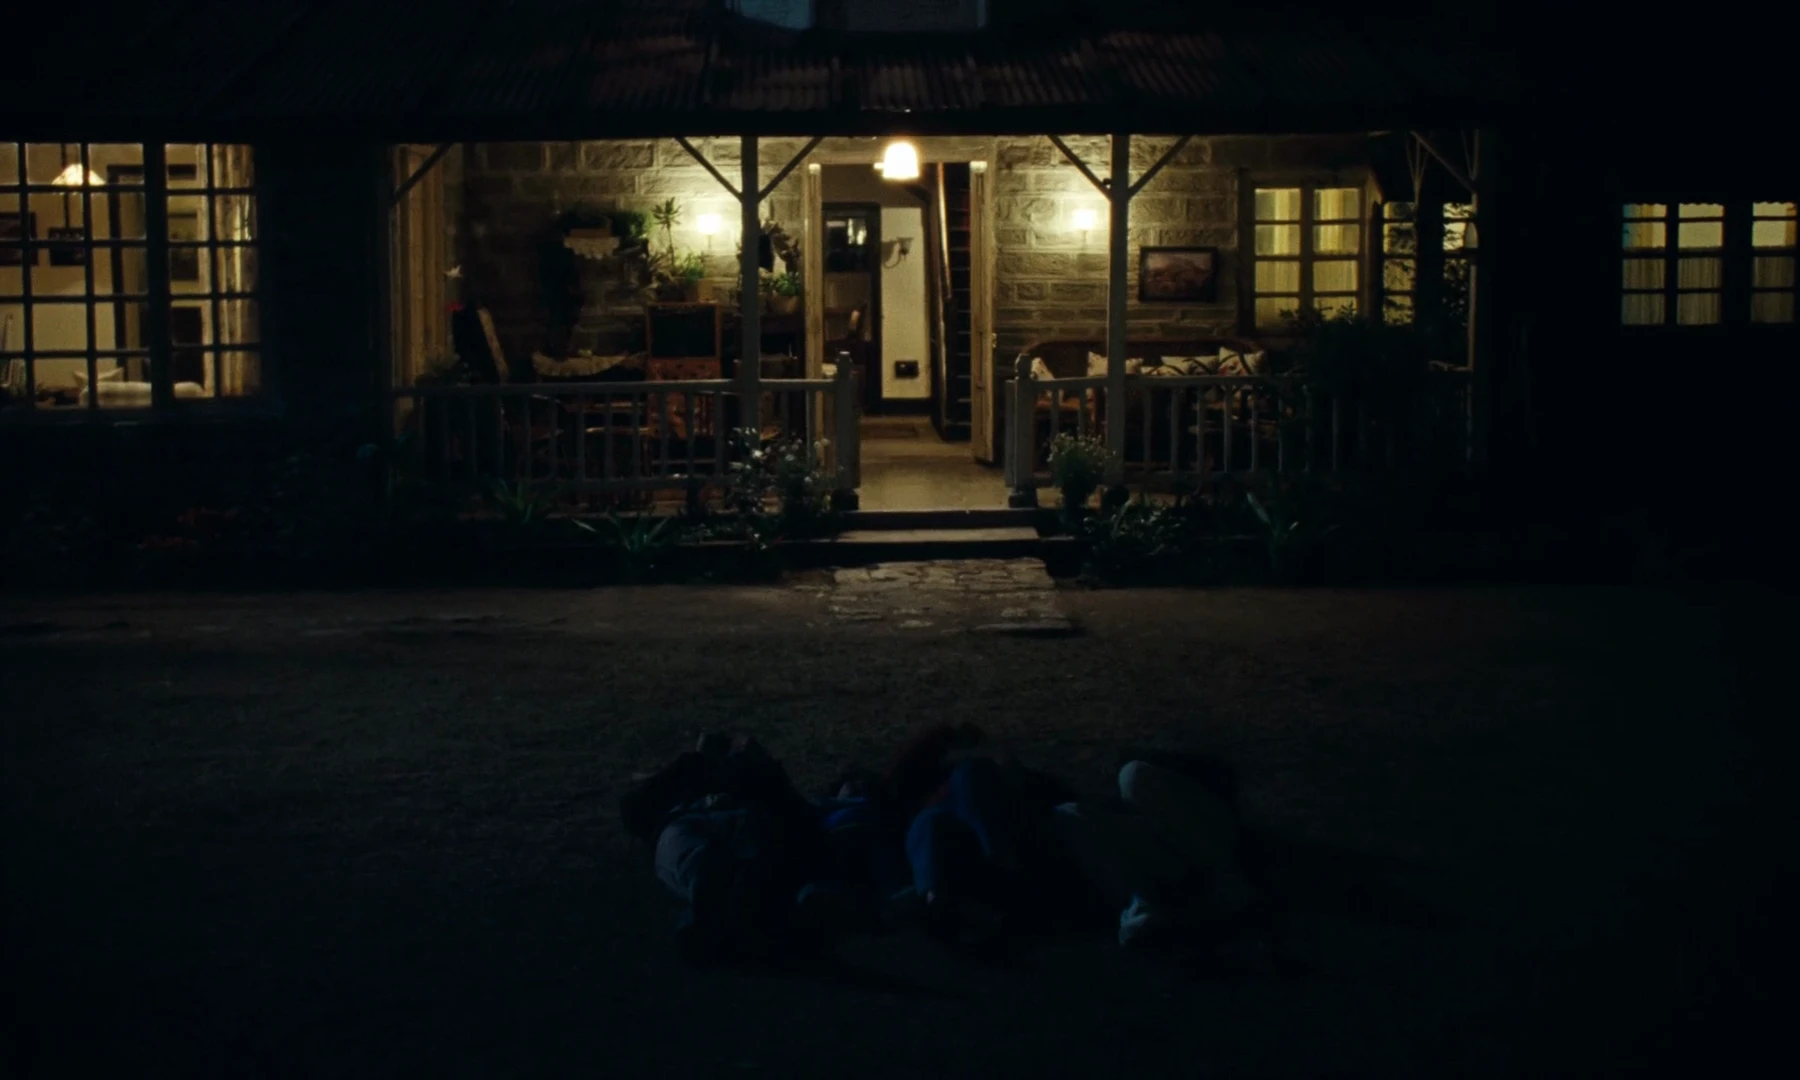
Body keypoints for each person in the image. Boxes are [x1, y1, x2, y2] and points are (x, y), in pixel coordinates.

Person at [1053, 754, 1260, 949]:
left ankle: (1224, 883)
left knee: (1132, 775)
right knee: (1068, 813)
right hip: (1169, 871)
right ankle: (1149, 910)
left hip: (1203, 847)